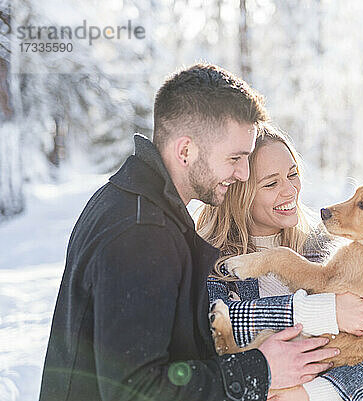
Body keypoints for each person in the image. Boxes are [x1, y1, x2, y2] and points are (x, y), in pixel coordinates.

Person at [39, 64, 339, 401]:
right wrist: (260, 370)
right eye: (235, 158)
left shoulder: (134, 203)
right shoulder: (142, 232)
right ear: (185, 151)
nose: (242, 173)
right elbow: (134, 390)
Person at [196, 123, 363, 401]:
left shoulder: (323, 246)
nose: (290, 191)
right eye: (271, 183)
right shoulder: (207, 260)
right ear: (240, 193)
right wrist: (322, 311)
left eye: (292, 175)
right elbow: (207, 325)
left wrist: (315, 393)